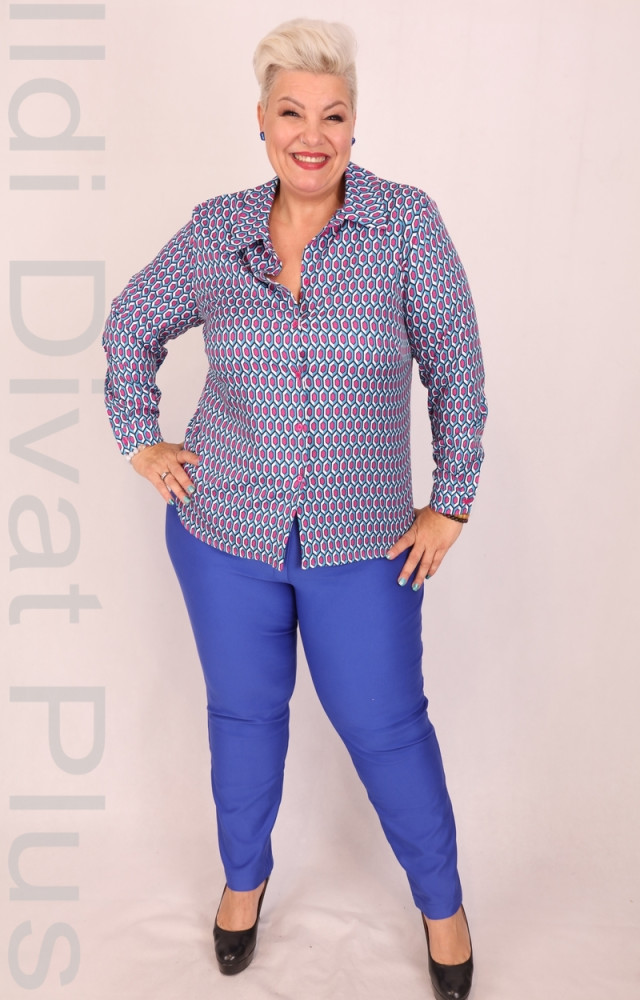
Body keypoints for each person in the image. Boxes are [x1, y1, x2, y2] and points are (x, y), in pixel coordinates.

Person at [102, 17, 487, 1000]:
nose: (311, 136)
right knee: (243, 714)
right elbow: (131, 324)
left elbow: (457, 372)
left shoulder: (405, 225)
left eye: (333, 115)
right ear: (262, 121)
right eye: (291, 113)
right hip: (222, 530)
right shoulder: (215, 232)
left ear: (354, 125)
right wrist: (141, 436)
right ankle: (245, 881)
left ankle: (443, 906)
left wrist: (449, 503)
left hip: (364, 542)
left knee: (386, 726)